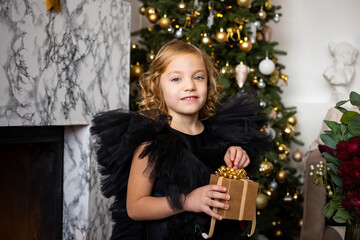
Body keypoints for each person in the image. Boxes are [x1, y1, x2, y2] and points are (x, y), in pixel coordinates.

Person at [91, 39, 270, 240]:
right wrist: (185, 201)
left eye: (198, 77)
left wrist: (235, 159)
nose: (189, 86)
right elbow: (136, 207)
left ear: (208, 83)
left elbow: (223, 190)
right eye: (176, 79)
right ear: (157, 86)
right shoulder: (152, 141)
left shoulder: (220, 137)